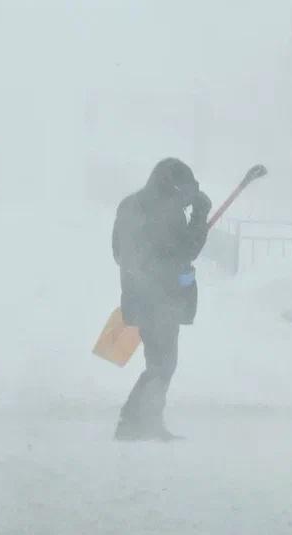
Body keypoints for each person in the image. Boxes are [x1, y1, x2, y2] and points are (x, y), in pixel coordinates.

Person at [111, 158, 211, 441]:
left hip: (138, 295)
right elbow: (187, 250)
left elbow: (117, 251)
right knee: (163, 364)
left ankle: (145, 421)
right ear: (173, 186)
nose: (185, 199)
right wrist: (200, 213)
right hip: (161, 299)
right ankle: (133, 421)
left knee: (158, 362)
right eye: (184, 192)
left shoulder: (129, 205)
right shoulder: (166, 212)